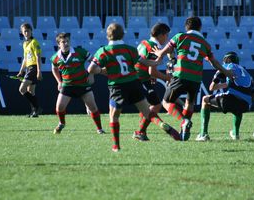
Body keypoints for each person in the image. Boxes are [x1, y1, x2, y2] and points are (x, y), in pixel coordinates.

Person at [87, 23, 171, 152]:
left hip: (117, 86)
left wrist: (102, 71)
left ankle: (116, 146)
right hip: (134, 83)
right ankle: (161, 125)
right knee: (148, 111)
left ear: (108, 35)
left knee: (114, 116)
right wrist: (158, 61)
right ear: (123, 34)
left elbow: (91, 68)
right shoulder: (130, 49)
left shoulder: (103, 51)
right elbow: (144, 62)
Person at [152, 16, 233, 141]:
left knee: (166, 102)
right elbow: (214, 63)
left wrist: (159, 54)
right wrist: (226, 72)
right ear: (200, 28)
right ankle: (184, 132)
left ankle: (183, 121)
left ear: (186, 27)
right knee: (189, 103)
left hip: (181, 75)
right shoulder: (205, 43)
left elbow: (168, 49)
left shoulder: (180, 37)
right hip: (196, 79)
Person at [196, 51, 254, 141]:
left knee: (205, 99)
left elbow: (212, 87)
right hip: (246, 105)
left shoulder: (226, 66)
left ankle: (203, 134)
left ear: (228, 59)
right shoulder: (247, 73)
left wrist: (224, 84)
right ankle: (235, 133)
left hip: (230, 100)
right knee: (238, 108)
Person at [133, 23, 180, 141]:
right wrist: (168, 78)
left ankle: (141, 132)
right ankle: (163, 127)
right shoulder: (154, 48)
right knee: (156, 105)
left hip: (137, 77)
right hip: (140, 79)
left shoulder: (144, 43)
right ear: (161, 35)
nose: (167, 39)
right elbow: (152, 71)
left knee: (147, 106)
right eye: (167, 35)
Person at [50, 33, 104, 135]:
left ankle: (99, 129)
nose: (66, 43)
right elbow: (54, 68)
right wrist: (59, 82)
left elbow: (93, 61)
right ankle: (61, 123)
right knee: (59, 108)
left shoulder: (80, 52)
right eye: (63, 42)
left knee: (93, 107)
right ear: (58, 44)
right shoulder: (55, 57)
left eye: (67, 41)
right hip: (67, 85)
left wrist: (91, 74)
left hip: (83, 84)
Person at [17, 23, 42, 117]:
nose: (26, 33)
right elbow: (25, 59)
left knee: (21, 89)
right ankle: (34, 112)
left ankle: (37, 107)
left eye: (28, 31)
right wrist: (21, 71)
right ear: (22, 33)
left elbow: (38, 57)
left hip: (34, 68)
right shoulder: (25, 44)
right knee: (31, 92)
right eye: (25, 31)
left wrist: (39, 71)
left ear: (31, 31)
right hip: (29, 69)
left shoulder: (34, 42)